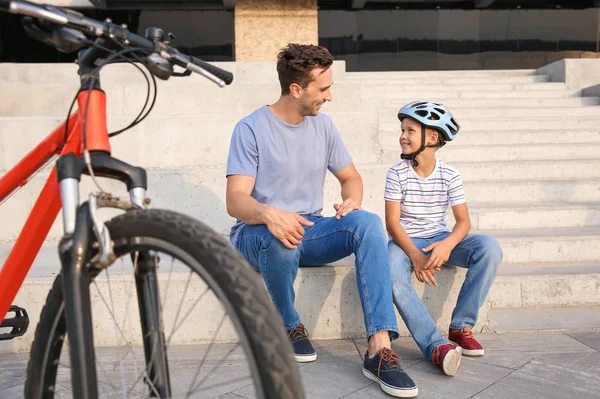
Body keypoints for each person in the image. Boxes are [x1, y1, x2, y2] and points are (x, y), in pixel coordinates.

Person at [225, 44, 418, 397]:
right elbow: (235, 200)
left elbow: (352, 177)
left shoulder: (324, 126)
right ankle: (288, 323)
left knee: (369, 223)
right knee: (283, 236)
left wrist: (352, 200)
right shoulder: (250, 128)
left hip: (310, 227)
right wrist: (270, 214)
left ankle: (378, 347)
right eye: (323, 89)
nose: (329, 97)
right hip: (256, 232)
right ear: (296, 89)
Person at [384, 100, 503, 376]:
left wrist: (448, 244)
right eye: (402, 130)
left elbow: (463, 223)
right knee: (390, 271)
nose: (403, 135)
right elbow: (392, 223)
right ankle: (436, 345)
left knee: (489, 248)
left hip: (440, 236)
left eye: (410, 130)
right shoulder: (397, 173)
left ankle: (460, 326)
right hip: (404, 242)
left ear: (432, 137)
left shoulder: (449, 174)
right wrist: (415, 255)